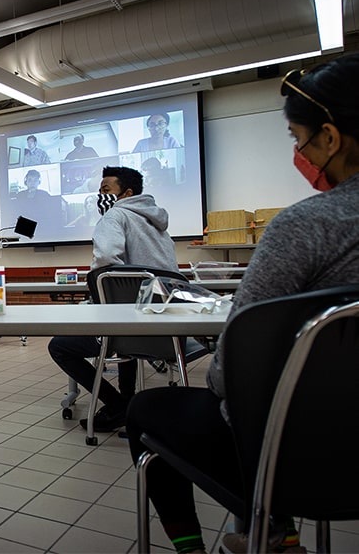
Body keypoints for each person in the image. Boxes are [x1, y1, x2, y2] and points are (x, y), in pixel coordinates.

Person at [126, 54, 359, 554]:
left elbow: (235, 368)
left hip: (304, 454)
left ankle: (247, 533)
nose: (301, 154)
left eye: (300, 140)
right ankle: (270, 532)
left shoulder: (306, 227)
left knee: (148, 407)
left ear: (331, 139)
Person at [48, 166, 177, 432]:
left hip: (131, 326)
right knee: (123, 333)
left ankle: (118, 405)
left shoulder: (115, 215)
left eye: (106, 190)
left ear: (127, 193)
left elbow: (105, 263)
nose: (100, 196)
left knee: (60, 346)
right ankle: (128, 403)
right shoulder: (158, 225)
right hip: (165, 330)